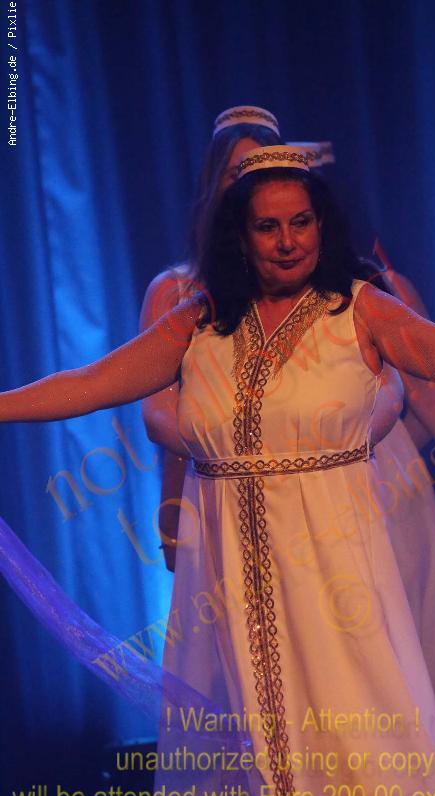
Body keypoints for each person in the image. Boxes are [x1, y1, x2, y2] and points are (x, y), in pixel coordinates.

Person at [3, 145, 435, 796]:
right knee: (280, 761)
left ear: (322, 224)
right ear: (239, 235)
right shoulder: (199, 323)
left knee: (368, 746)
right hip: (245, 587)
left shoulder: (359, 309)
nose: (288, 241)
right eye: (268, 226)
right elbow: (92, 382)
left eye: (301, 222)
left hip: (339, 576)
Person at [139, 106, 282, 571]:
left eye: (260, 171)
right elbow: (159, 411)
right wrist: (236, 451)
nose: (248, 186)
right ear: (213, 186)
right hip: (212, 487)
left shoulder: (312, 291)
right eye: (236, 173)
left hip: (306, 490)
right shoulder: (176, 292)